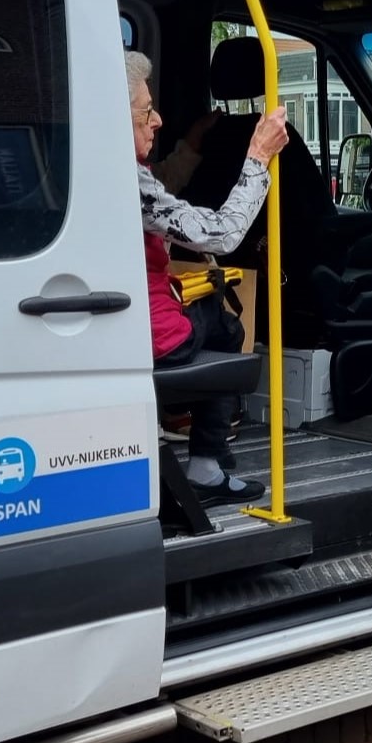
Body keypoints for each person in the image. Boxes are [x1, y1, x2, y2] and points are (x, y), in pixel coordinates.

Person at [128, 51, 287, 501]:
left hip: (124, 324)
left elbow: (161, 187)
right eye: (146, 112)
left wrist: (194, 145)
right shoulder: (126, 181)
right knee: (225, 324)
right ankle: (207, 464)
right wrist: (258, 156)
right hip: (151, 334)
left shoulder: (91, 170)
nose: (158, 119)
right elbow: (223, 234)